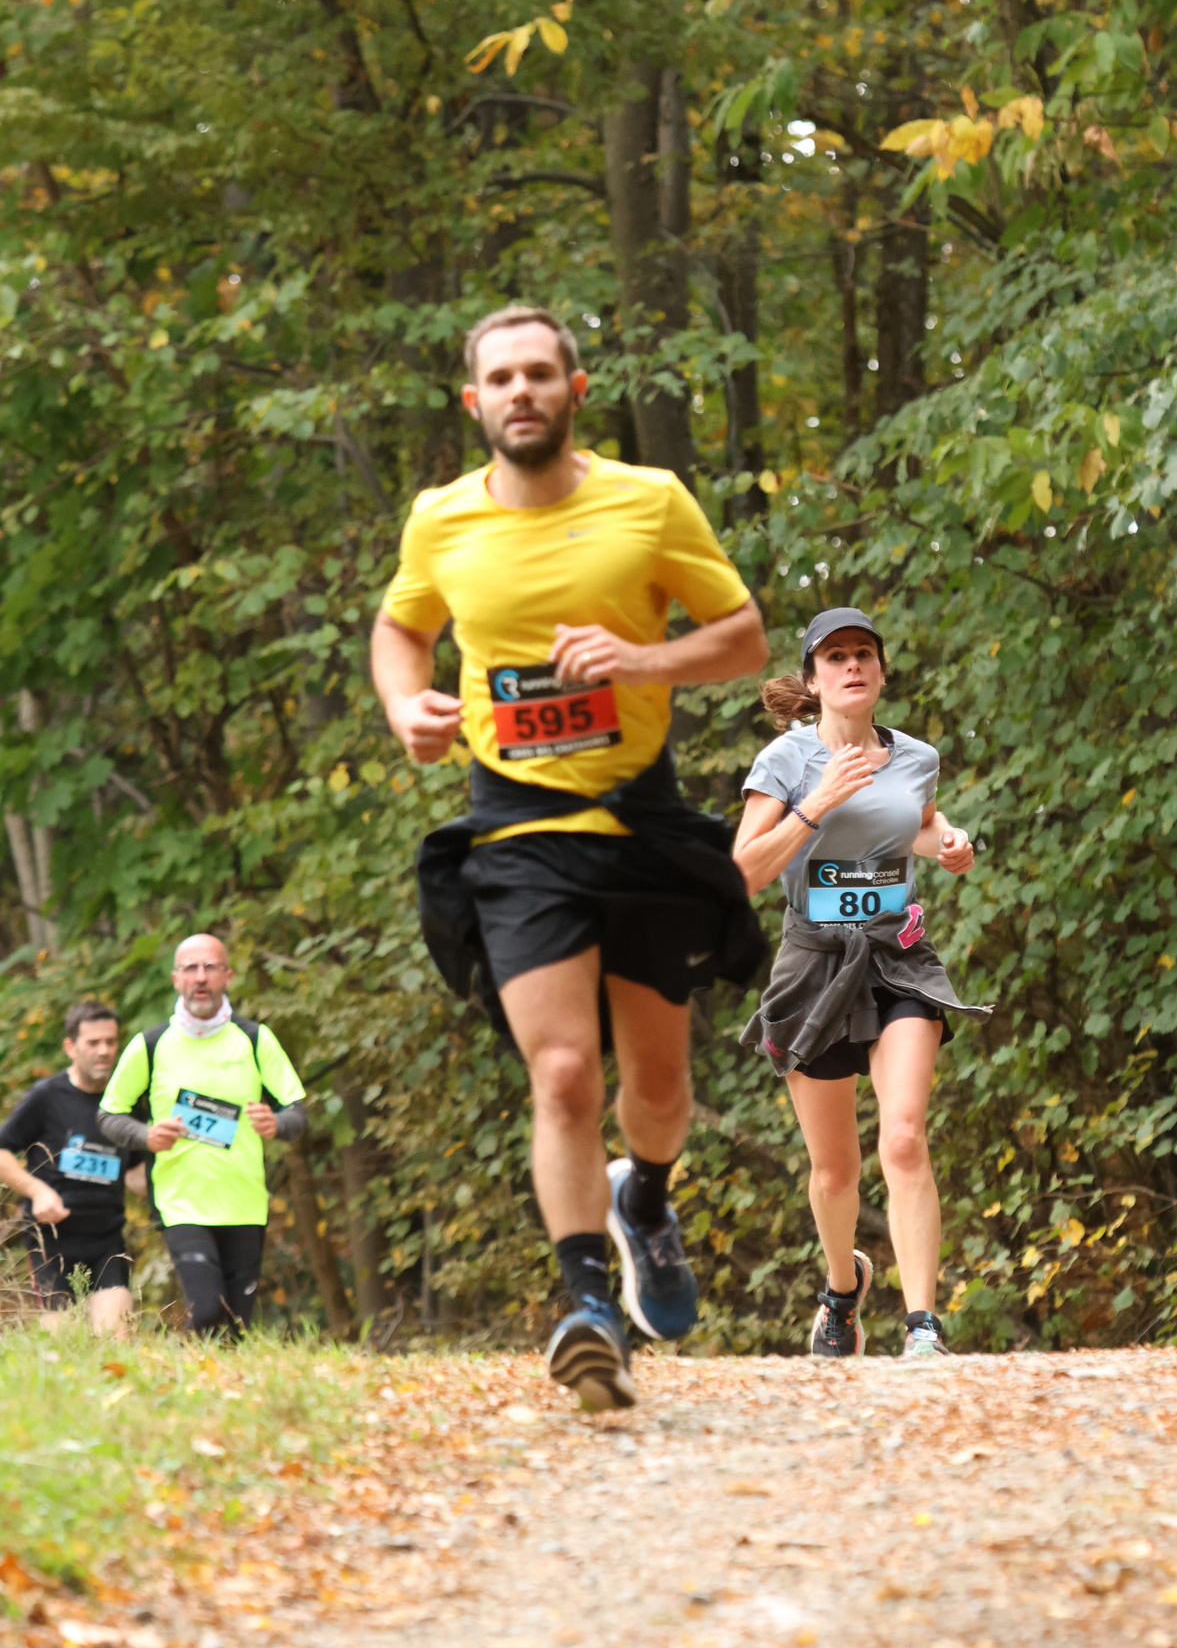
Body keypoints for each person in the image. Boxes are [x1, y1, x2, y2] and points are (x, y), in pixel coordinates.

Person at [370, 304, 769, 1410]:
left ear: (575, 389)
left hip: (637, 820)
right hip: (516, 828)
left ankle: (645, 1197)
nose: (521, 392)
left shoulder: (649, 501)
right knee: (560, 1073)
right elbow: (401, 627)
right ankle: (589, 1308)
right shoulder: (441, 520)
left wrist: (642, 660)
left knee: (659, 1091)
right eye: (501, 378)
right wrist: (405, 704)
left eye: (540, 373)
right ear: (474, 402)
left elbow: (743, 639)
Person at [733, 608, 992, 1360]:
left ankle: (922, 1328)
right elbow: (743, 872)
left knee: (903, 1137)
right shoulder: (785, 761)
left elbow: (916, 824)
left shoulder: (916, 757)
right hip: (813, 965)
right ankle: (842, 1292)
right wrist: (816, 804)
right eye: (835, 656)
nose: (852, 666)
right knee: (835, 1171)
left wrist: (948, 842)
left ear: (880, 672)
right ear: (813, 680)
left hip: (897, 956)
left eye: (863, 654)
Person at [97, 934, 307, 1336]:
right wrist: (146, 1135)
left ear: (228, 976)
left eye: (210, 967)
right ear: (176, 979)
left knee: (235, 1327)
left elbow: (297, 1111)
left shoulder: (255, 1039)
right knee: (208, 1309)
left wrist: (276, 1124)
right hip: (181, 1203)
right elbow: (109, 1114)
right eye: (190, 968)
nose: (200, 977)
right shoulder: (150, 1044)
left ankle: (200, 1374)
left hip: (244, 1202)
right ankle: (180, 1364)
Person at [0, 1000, 147, 1336]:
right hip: (52, 1240)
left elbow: (137, 1175)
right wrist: (38, 1191)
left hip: (107, 1238)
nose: (104, 1051)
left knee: (116, 1337)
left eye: (110, 1042)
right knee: (61, 1341)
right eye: (93, 1043)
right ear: (70, 1047)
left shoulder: (126, 1102)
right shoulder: (47, 1096)